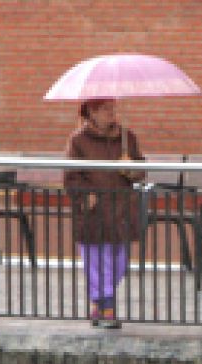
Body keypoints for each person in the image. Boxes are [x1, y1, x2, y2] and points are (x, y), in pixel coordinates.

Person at [63, 98, 146, 328]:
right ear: (92, 112)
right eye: (106, 109)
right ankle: (107, 308)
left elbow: (141, 171)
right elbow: (71, 176)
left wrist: (132, 169)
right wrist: (85, 195)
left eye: (113, 108)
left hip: (121, 209)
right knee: (98, 261)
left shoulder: (127, 138)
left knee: (120, 263)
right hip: (94, 211)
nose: (112, 113)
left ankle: (98, 304)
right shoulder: (78, 140)